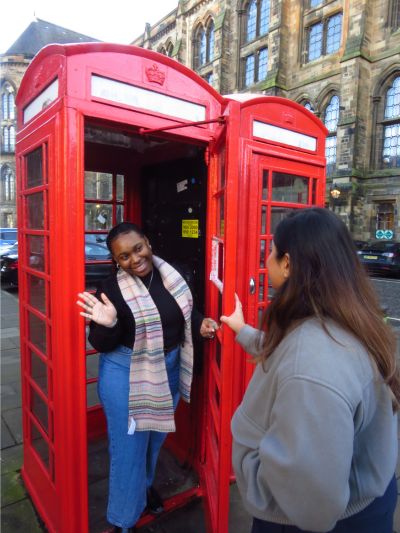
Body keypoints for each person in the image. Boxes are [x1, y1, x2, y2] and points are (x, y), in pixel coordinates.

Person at [220, 208, 399, 533]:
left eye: (271, 252)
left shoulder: (312, 361)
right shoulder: (347, 319)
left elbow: (313, 505)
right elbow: (293, 359)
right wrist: (242, 330)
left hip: (302, 521)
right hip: (368, 500)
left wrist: (256, 473)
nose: (267, 261)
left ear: (287, 263)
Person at [77, 222, 217, 533]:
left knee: (155, 440)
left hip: (167, 366)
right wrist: (108, 324)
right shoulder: (111, 289)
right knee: (129, 450)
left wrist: (201, 323)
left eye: (137, 248)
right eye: (123, 256)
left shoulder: (173, 275)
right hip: (126, 371)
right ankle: (123, 520)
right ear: (116, 260)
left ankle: (145, 488)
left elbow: (183, 314)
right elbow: (101, 343)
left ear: (148, 243)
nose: (134, 259)